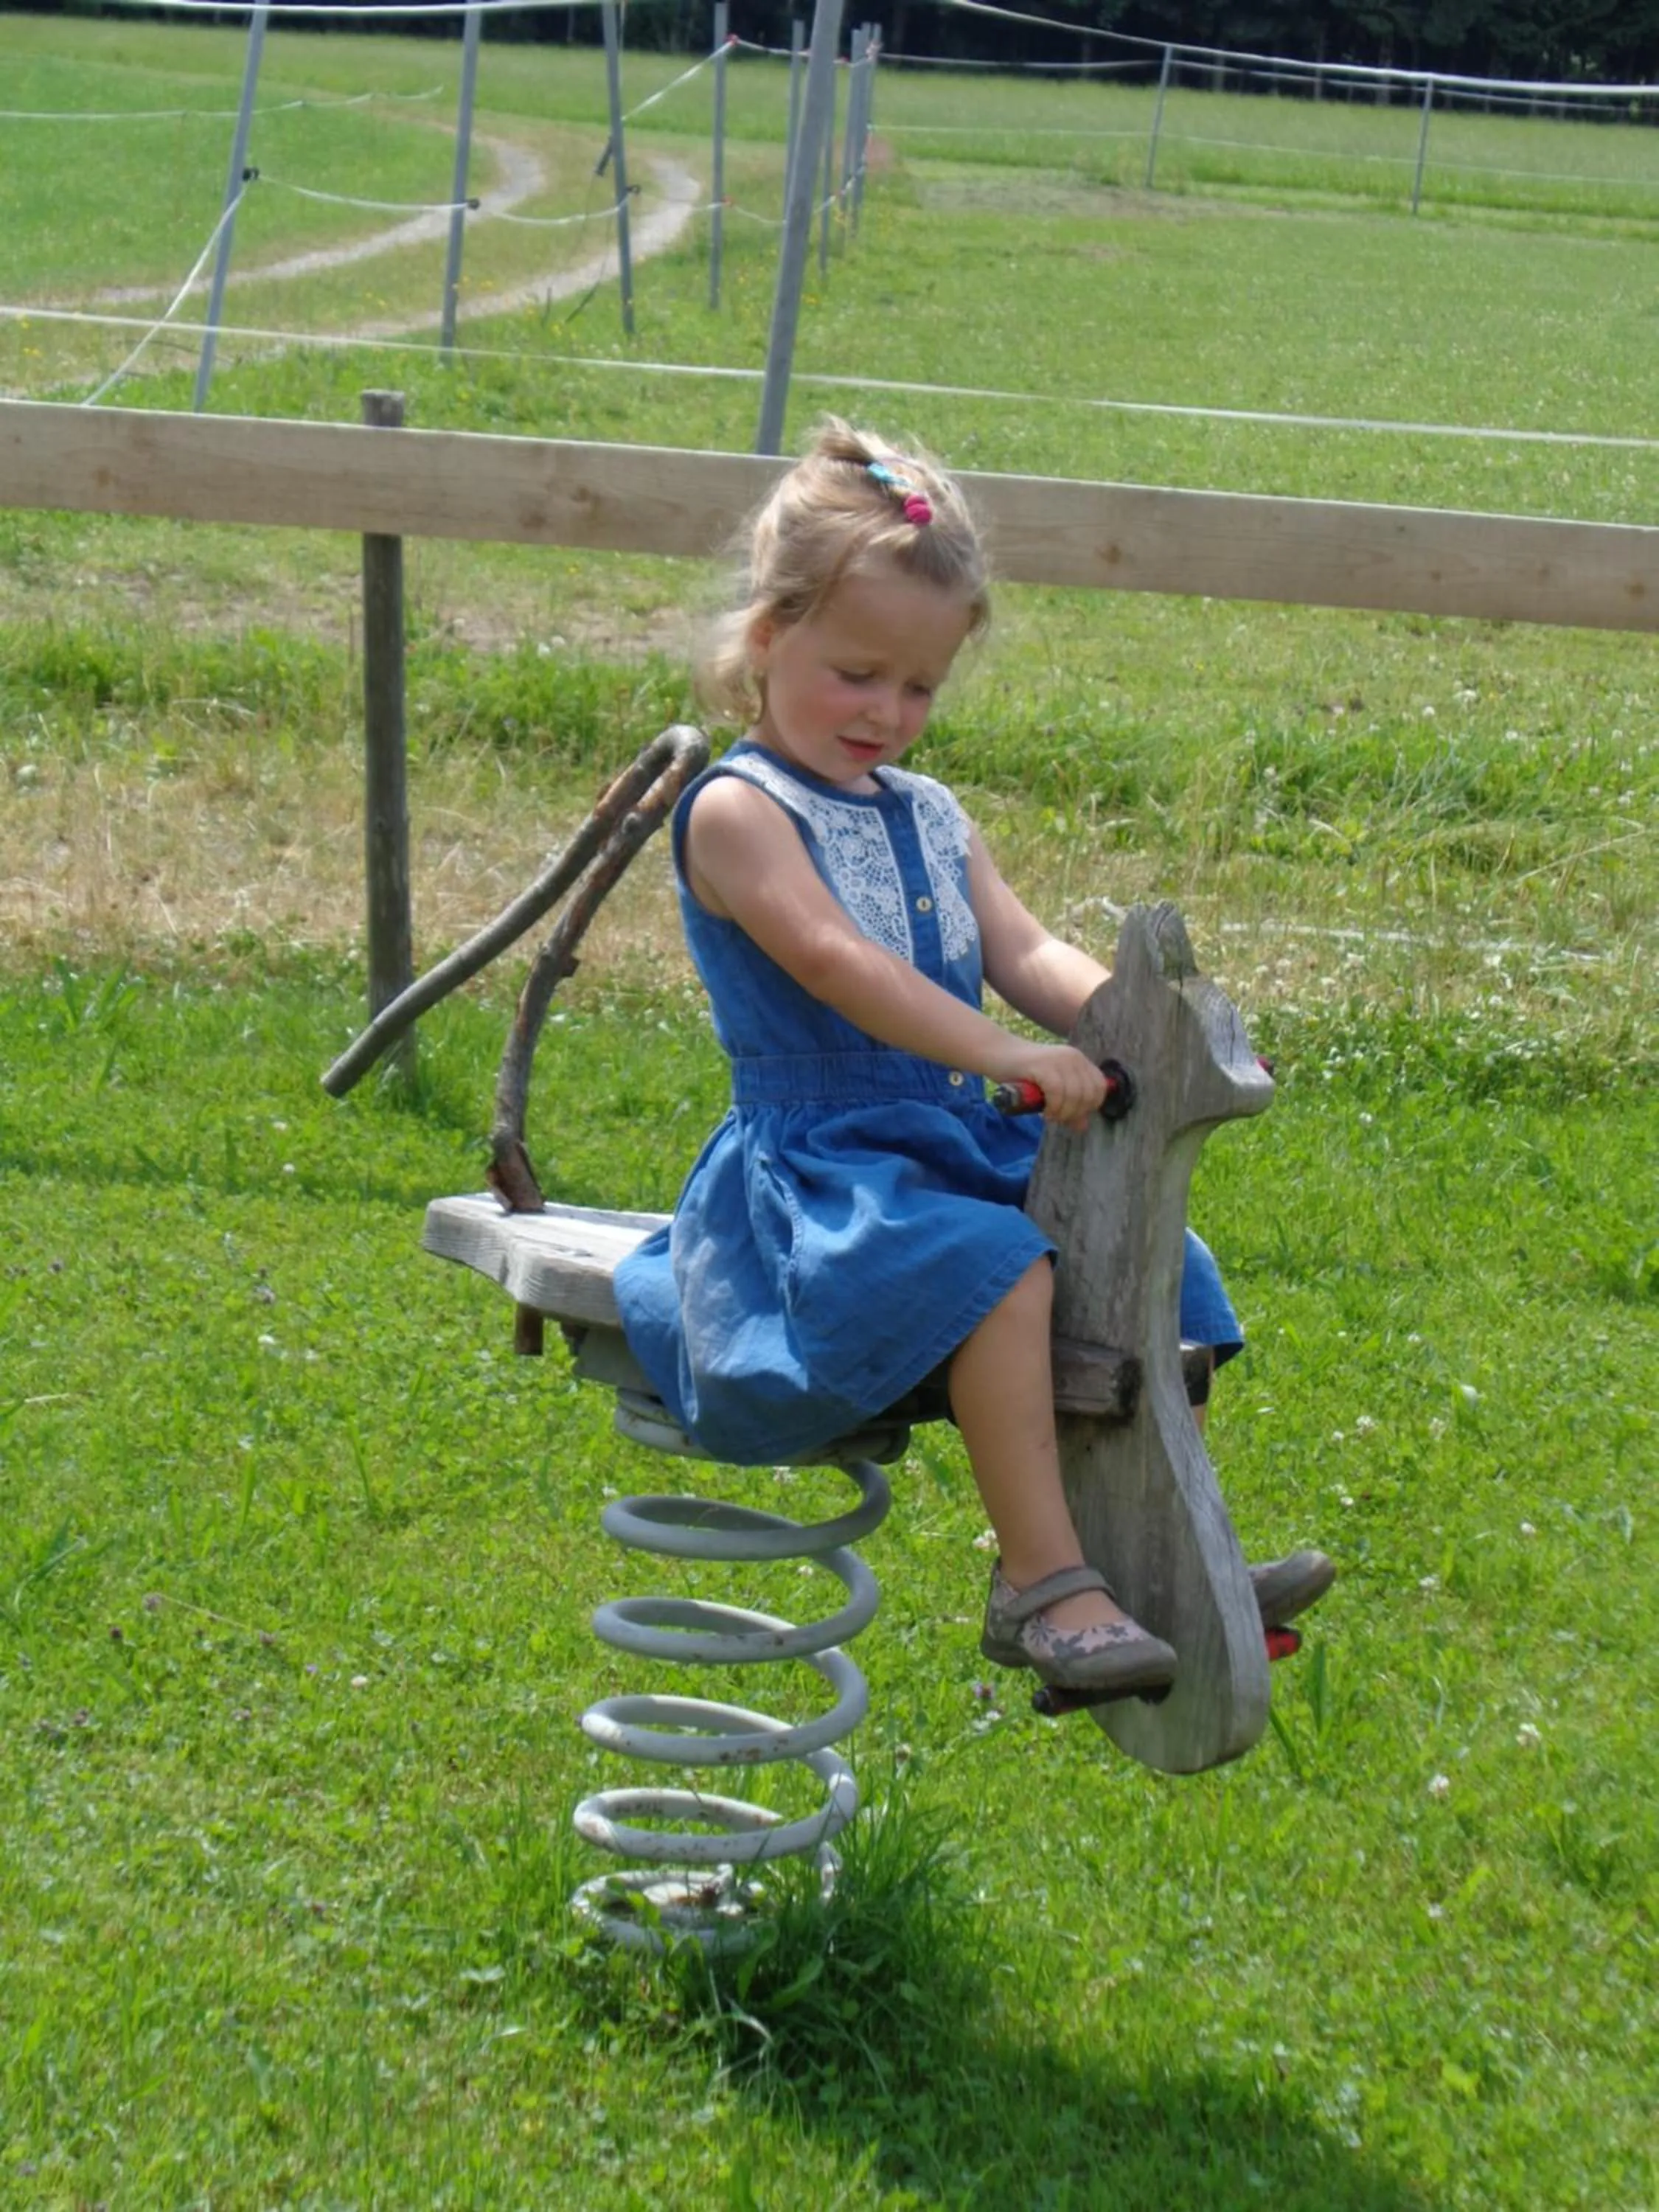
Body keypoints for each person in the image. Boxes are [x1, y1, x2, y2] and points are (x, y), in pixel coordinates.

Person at [615, 420, 1332, 1700]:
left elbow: (1028, 951)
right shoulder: (737, 812)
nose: (887, 714)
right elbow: (839, 964)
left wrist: (1154, 1028)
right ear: (768, 639)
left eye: (920, 689)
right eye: (856, 673)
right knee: (998, 1268)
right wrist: (1005, 1055)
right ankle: (1041, 1584)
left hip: (949, 1142)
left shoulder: (931, 816)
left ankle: (1169, 1540)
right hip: (826, 1177)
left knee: (1172, 1268)